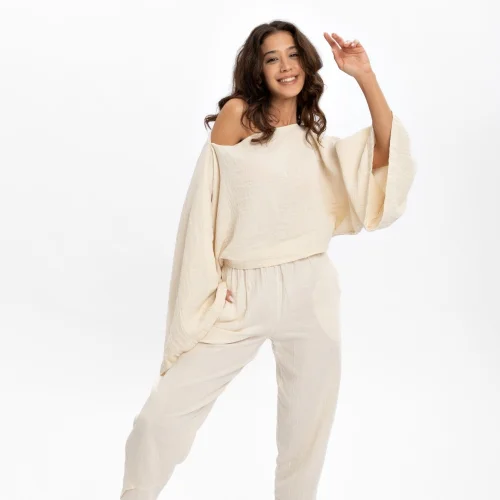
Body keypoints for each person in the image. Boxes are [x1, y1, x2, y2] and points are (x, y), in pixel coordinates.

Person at [119, 20, 416, 500]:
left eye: (293, 54)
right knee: (161, 417)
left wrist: (364, 75)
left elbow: (386, 153)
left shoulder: (317, 142)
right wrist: (209, 281)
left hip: (311, 289)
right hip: (242, 291)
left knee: (306, 431)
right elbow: (203, 205)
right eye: (272, 57)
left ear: (307, 64)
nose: (285, 66)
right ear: (257, 69)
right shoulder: (238, 117)